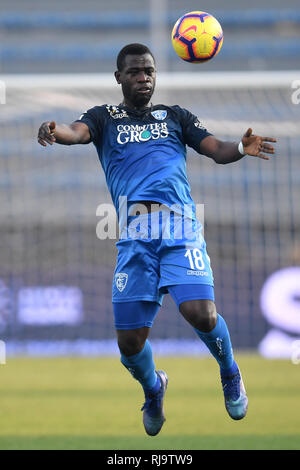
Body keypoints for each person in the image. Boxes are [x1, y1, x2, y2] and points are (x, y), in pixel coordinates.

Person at [38, 43, 276, 437]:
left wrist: (240, 147)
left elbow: (215, 149)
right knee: (129, 344)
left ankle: (230, 372)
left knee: (201, 313)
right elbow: (76, 133)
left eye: (149, 71)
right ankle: (154, 388)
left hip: (180, 227)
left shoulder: (175, 117)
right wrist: (54, 130)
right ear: (119, 77)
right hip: (134, 236)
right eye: (134, 72)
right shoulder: (103, 118)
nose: (143, 78)